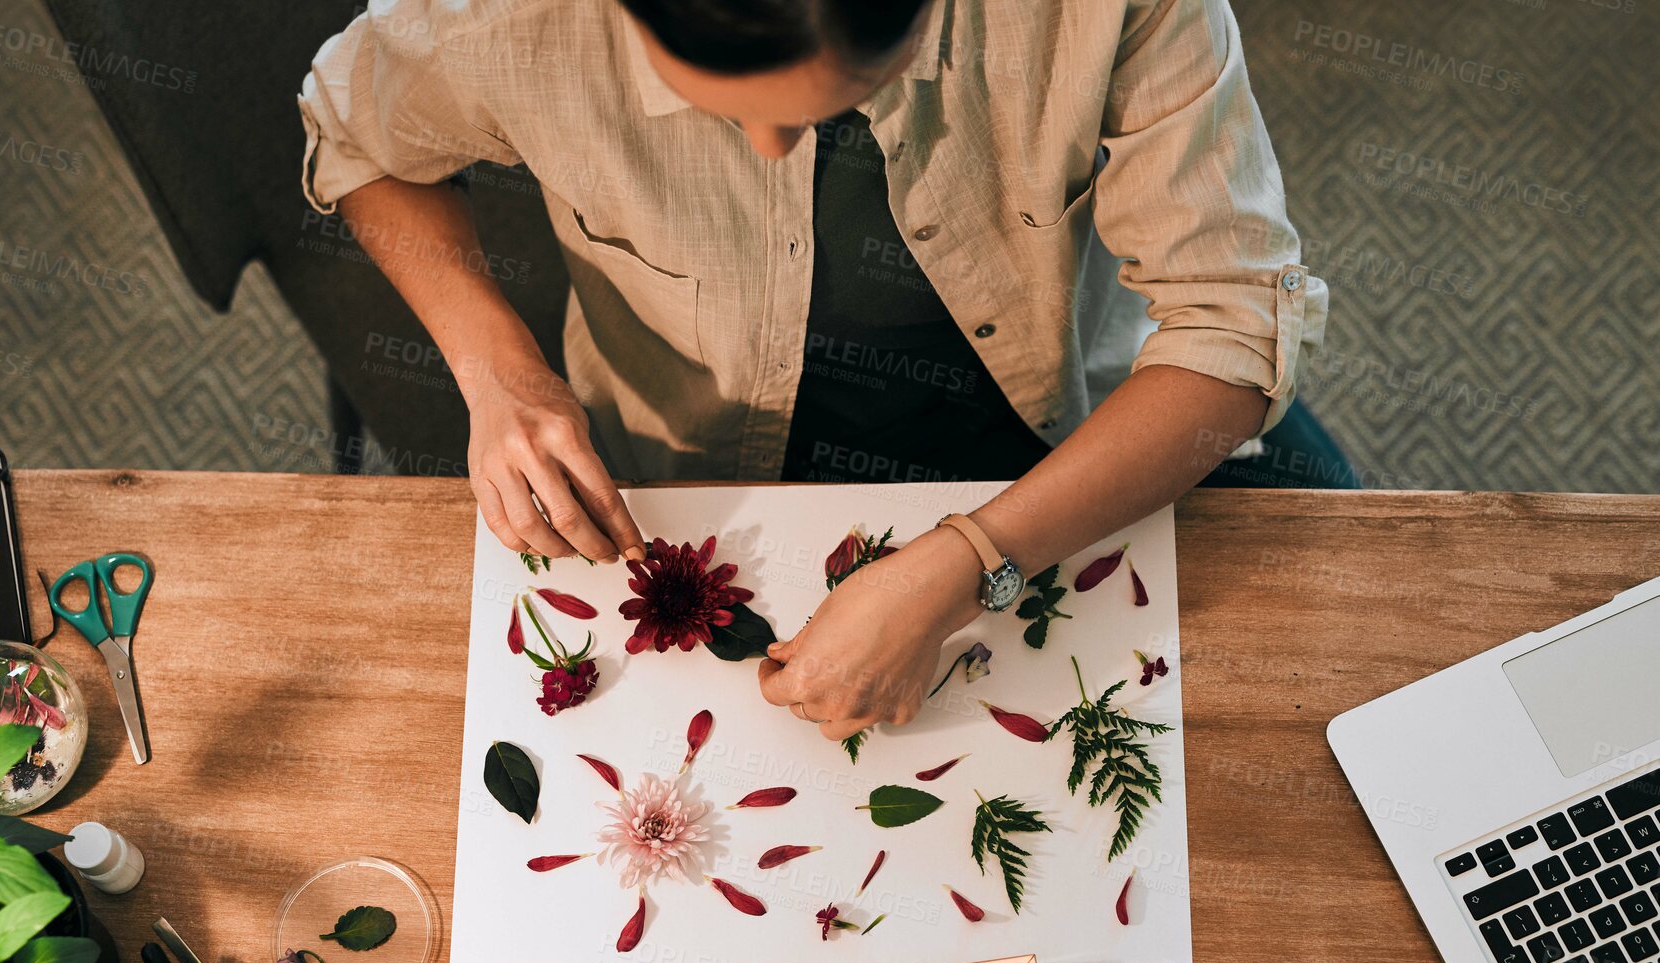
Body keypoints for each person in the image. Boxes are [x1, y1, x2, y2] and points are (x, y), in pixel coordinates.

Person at [299, 0, 1341, 742]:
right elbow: (351, 130)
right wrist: (498, 372)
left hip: (1070, 429)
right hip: (694, 453)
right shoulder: (512, 17)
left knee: (1330, 660)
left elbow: (1233, 318)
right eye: (709, 102)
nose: (763, 149)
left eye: (831, 103)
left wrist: (970, 558)